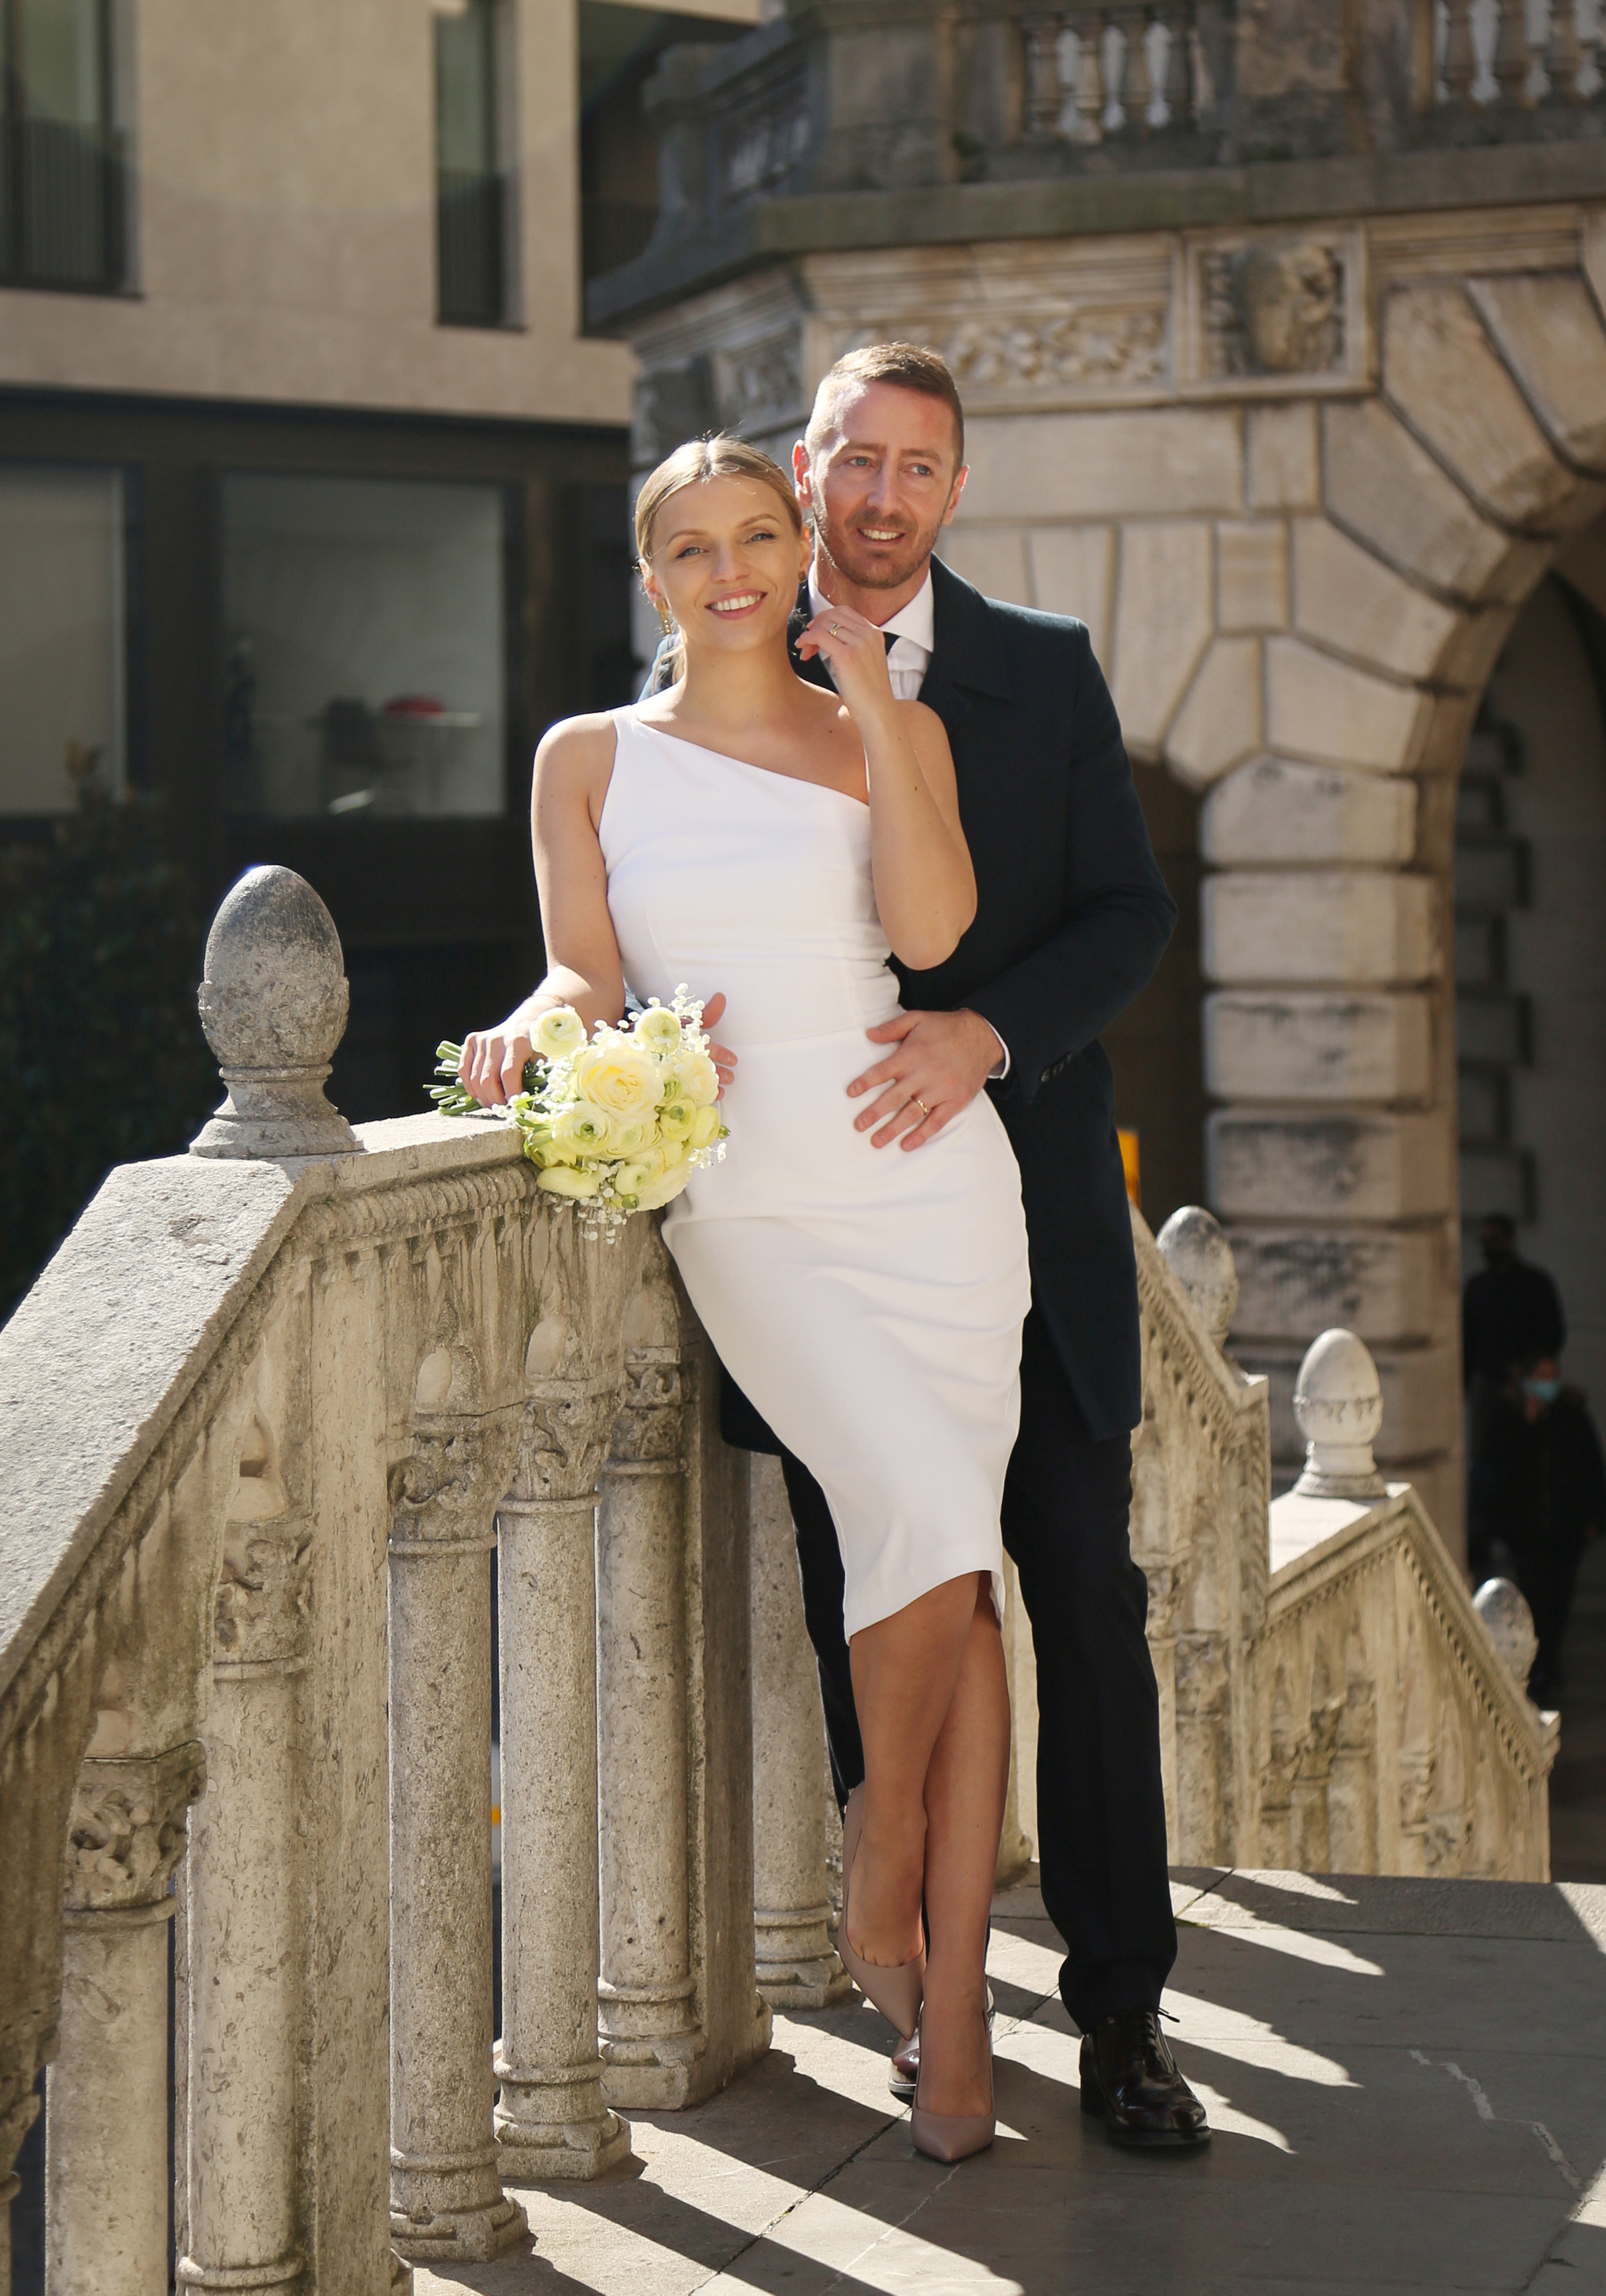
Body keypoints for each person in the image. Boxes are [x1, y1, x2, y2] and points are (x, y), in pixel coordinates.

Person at [462, 431, 1026, 2161]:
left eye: (757, 536)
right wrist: (535, 1033)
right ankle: (882, 1888)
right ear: (652, 579)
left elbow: (931, 934)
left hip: (928, 1185)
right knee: (930, 1528)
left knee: (955, 1559)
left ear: (797, 547)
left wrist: (871, 707)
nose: (729, 570)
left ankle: (948, 2000)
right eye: (690, 547)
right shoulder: (586, 758)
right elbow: (584, 968)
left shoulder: (887, 725)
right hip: (753, 1199)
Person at [705, 342, 1204, 2151]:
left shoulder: (1043, 673)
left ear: (954, 488)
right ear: (804, 463)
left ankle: (1123, 2016)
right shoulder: (718, 676)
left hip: (1030, 1240)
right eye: (859, 459)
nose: (886, 494)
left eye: (920, 465)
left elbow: (1124, 912)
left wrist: (985, 1033)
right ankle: (926, 2005)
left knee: (1085, 1603)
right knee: (884, 1639)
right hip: (828, 1252)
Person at [1474, 1353, 1606, 1709]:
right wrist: (1528, 1427)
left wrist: (1595, 1515)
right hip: (1528, 1531)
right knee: (1537, 1598)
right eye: (1541, 1375)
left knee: (1561, 1598)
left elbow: (1590, 1468)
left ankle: (1548, 1663)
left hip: (1566, 1529)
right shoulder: (1509, 1420)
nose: (1548, 1382)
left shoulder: (1572, 1416)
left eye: (1553, 1375)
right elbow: (1496, 1474)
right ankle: (1542, 1667)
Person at [1463, 1215, 1567, 1576]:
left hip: (1527, 1383)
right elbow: (1469, 1339)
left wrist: (1529, 1370)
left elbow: (1552, 1331)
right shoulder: (1478, 1287)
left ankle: (1530, 1527)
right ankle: (1486, 1530)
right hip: (1490, 1386)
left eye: (1493, 1239)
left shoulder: (1533, 1284)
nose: (1487, 1247)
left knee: (1532, 1454)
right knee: (1487, 1460)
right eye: (1484, 1240)